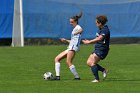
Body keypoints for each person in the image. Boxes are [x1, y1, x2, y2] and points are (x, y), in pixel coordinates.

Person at [54, 12, 83, 80]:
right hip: (70, 47)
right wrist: (66, 40)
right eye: (70, 22)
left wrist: (76, 32)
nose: (70, 23)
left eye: (72, 22)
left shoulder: (77, 27)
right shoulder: (74, 28)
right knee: (57, 59)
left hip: (73, 48)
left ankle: (77, 77)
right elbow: (73, 40)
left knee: (68, 62)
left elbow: (81, 30)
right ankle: (57, 77)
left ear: (75, 21)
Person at [82, 15, 110, 83]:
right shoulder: (100, 29)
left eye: (96, 22)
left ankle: (97, 79)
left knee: (92, 63)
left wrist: (89, 42)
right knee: (89, 62)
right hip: (98, 48)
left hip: (102, 50)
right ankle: (104, 70)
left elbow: (100, 38)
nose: (95, 23)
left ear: (100, 23)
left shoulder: (105, 30)